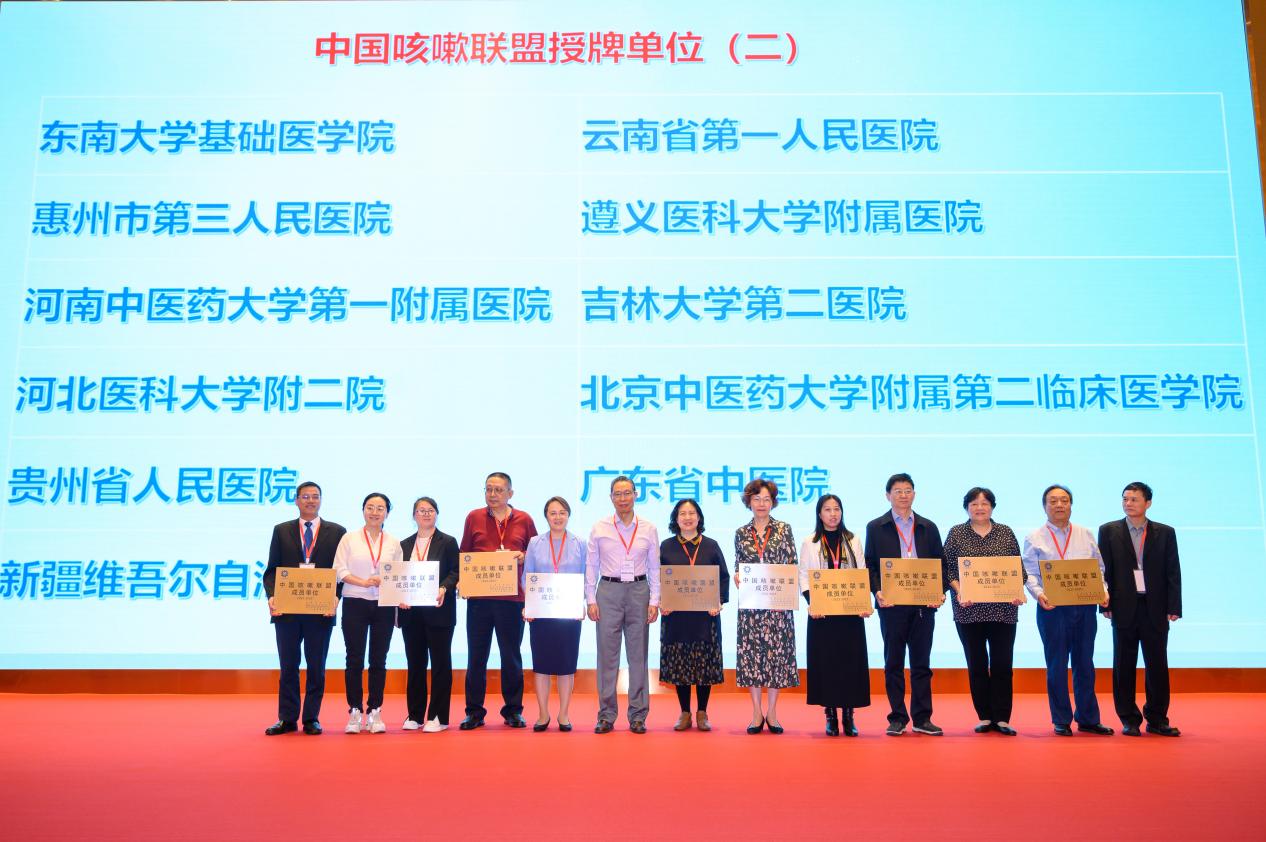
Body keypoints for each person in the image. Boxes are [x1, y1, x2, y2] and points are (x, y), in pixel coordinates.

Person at [1021, 484, 1114, 737]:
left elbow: (1098, 568)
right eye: (1053, 501)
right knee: (1057, 665)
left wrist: (1103, 591)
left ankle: (1088, 718)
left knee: (1085, 663)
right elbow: (1029, 573)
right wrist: (1039, 594)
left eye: (1064, 500)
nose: (1059, 505)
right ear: (1044, 507)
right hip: (1052, 608)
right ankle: (1061, 719)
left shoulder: (1085, 533)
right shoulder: (1034, 537)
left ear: (1071, 505)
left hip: (1084, 607)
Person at [262, 481, 347, 736]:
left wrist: (336, 598)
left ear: (321, 500)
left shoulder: (337, 532)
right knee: (288, 665)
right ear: (296, 500)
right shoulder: (281, 530)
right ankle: (287, 719)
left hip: (320, 610)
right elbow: (271, 570)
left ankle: (311, 718)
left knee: (316, 666)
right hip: (287, 610)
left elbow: (341, 572)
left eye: (315, 496)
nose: (311, 500)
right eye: (305, 496)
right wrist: (272, 596)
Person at [865, 472, 946, 736]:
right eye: (898, 491)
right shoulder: (876, 527)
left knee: (921, 664)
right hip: (891, 605)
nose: (903, 495)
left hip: (923, 606)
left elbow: (941, 564)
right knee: (894, 663)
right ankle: (897, 717)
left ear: (914, 494)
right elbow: (870, 565)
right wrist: (877, 591)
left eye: (908, 490)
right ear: (887, 495)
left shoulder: (928, 527)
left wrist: (940, 591)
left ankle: (923, 718)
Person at [1099, 482, 1182, 737]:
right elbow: (1103, 570)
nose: (1128, 503)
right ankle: (1129, 719)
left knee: (1157, 664)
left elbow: (1173, 571)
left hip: (1155, 607)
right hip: (1123, 607)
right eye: (1125, 499)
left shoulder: (1165, 533)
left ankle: (1157, 719)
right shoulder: (1108, 531)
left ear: (1148, 503)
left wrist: (1174, 606)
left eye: (1134, 499)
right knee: (1123, 665)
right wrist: (1104, 604)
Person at [458, 472, 538, 730]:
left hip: (512, 600)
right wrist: (464, 582)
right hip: (480, 600)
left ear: (510, 493)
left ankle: (513, 711)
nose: (492, 494)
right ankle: (474, 712)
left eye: (498, 490)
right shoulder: (474, 517)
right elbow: (465, 554)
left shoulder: (524, 519)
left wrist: (524, 556)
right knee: (476, 657)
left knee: (511, 656)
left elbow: (536, 553)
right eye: (488, 489)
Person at [942, 487, 1025, 736]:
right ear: (966, 507)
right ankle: (985, 716)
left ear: (992, 507)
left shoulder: (1005, 532)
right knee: (976, 664)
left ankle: (1002, 718)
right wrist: (960, 591)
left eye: (985, 503)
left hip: (1003, 610)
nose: (980, 508)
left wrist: (1017, 590)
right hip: (968, 610)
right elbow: (947, 569)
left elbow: (1018, 570)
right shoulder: (956, 533)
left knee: (1002, 664)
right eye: (974, 504)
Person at [586, 475, 660, 734]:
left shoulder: (648, 528)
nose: (623, 498)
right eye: (617, 494)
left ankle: (638, 715)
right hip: (608, 591)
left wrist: (654, 600)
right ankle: (606, 715)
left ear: (636, 495)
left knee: (638, 655)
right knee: (607, 656)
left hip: (639, 590)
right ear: (611, 498)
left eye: (627, 493)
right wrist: (590, 599)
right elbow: (591, 565)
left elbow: (654, 567)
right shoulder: (599, 527)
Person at [798, 494, 870, 737]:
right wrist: (813, 602)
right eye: (827, 510)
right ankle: (830, 715)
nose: (832, 514)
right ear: (819, 514)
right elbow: (803, 575)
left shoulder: (853, 539)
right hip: (822, 614)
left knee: (850, 664)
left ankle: (849, 715)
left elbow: (862, 572)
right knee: (827, 664)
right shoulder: (810, 541)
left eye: (836, 509)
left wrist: (864, 602)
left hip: (850, 613)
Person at [333, 492, 403, 734]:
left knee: (378, 659)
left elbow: (399, 573)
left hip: (384, 605)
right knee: (354, 658)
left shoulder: (393, 542)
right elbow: (339, 569)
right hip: (355, 601)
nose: (375, 512)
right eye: (370, 507)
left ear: (387, 513)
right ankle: (354, 711)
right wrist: (363, 582)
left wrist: (386, 583)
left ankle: (375, 710)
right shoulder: (349, 538)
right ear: (363, 510)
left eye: (380, 508)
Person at [734, 478, 799, 735]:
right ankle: (756, 712)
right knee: (752, 657)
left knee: (776, 657)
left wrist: (786, 594)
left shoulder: (784, 529)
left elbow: (791, 565)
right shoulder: (741, 532)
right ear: (749, 502)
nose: (761, 504)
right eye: (756, 499)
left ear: (773, 502)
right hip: (751, 608)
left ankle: (772, 711)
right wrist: (738, 576)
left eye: (766, 499)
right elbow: (739, 565)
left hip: (777, 606)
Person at [659, 498, 729, 733]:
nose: (687, 518)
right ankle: (684, 712)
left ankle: (702, 712)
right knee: (680, 664)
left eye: (692, 513)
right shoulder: (666, 546)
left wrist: (718, 601)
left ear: (699, 517)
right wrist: (661, 602)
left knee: (704, 664)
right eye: (682, 513)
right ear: (676, 519)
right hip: (676, 617)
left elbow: (723, 577)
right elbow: (657, 579)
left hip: (705, 617)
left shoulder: (711, 545)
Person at [522, 496, 586, 732]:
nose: (557, 517)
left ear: (568, 515)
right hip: (541, 612)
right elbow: (527, 576)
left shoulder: (580, 543)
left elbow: (587, 576)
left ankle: (564, 714)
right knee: (542, 665)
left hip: (569, 613)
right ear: (546, 516)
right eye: (552, 513)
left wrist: (582, 602)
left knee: (566, 665)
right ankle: (542, 714)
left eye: (562, 512)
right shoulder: (535, 543)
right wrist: (529, 605)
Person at [397, 496, 460, 733]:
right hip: (411, 613)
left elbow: (456, 571)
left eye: (430, 510)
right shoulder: (403, 545)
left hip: (438, 610)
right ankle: (415, 715)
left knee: (441, 664)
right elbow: (397, 576)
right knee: (415, 664)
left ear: (436, 514)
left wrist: (444, 587)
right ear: (414, 515)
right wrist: (398, 596)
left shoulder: (448, 542)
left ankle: (439, 717)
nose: (426, 514)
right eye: (421, 510)